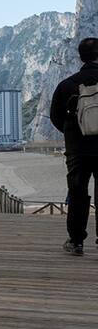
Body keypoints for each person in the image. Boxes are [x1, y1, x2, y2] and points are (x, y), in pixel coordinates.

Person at [49, 37, 98, 255]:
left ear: (80, 56)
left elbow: (55, 117)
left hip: (77, 149)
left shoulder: (66, 85)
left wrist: (73, 133)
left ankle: (76, 241)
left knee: (78, 192)